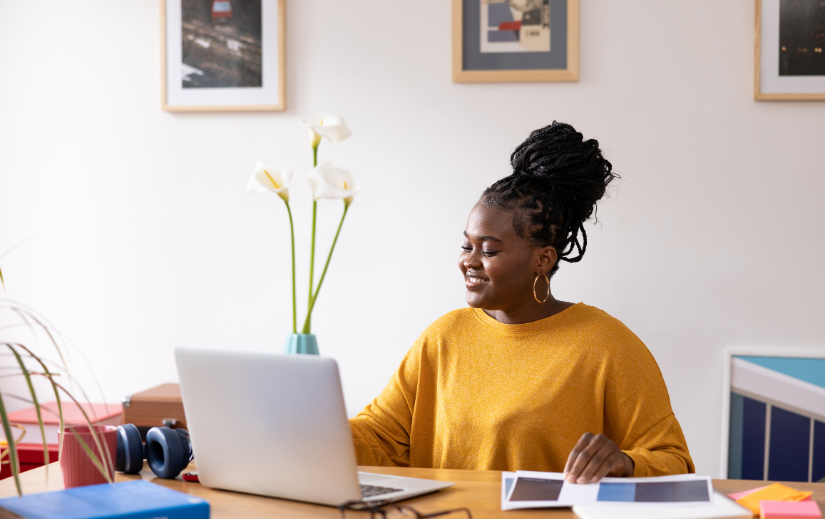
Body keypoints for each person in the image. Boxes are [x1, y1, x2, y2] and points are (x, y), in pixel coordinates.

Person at [349, 122, 694, 484]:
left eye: (490, 249)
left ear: (543, 260)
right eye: (467, 245)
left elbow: (674, 462)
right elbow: (380, 439)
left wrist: (626, 463)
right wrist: (306, 428)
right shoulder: (443, 337)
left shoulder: (606, 345)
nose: (470, 260)